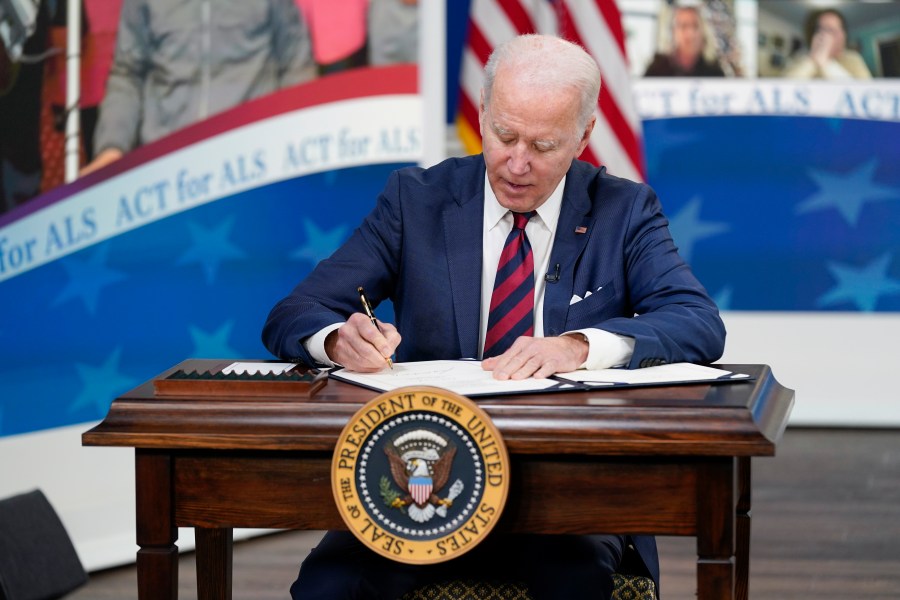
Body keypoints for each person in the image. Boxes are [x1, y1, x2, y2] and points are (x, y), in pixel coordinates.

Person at [263, 33, 725, 600]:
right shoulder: (416, 200)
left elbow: (697, 320)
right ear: (481, 113)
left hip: (566, 484)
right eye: (504, 135)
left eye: (544, 144)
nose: (517, 163)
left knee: (574, 582)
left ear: (583, 137)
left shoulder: (624, 211)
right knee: (327, 588)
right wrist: (337, 340)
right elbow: (294, 313)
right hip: (425, 472)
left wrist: (577, 347)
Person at [80, 0, 316, 176]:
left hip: (251, 162)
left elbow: (295, 64)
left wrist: (295, 139)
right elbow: (128, 72)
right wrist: (111, 147)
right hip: (166, 166)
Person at [783, 8, 872, 80]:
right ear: (817, 36)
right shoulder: (800, 59)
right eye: (829, 29)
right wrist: (812, 60)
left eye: (840, 28)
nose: (838, 34)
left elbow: (863, 93)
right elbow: (784, 91)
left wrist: (826, 63)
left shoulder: (854, 59)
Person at [644, 3, 725, 77]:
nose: (690, 33)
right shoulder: (658, 68)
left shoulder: (714, 70)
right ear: (673, 31)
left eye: (695, 26)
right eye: (683, 26)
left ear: (703, 31)